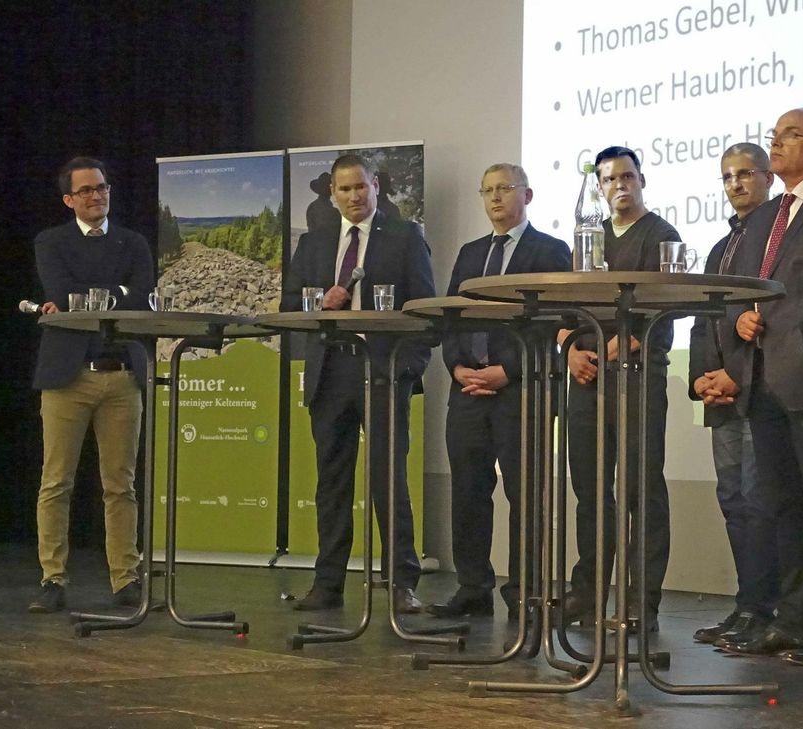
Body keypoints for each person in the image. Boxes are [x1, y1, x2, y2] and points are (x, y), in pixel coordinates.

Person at [717, 109, 803, 663]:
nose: (776, 143)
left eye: (790, 135)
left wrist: (800, 340)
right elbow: (741, 290)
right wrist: (739, 320)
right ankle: (794, 622)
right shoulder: (764, 217)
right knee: (783, 507)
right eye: (774, 135)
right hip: (761, 378)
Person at [280, 153, 435, 613]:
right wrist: (317, 300)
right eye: (343, 189)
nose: (353, 196)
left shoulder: (405, 237)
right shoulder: (315, 241)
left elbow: (426, 310)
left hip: (384, 372)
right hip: (331, 372)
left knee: (390, 480)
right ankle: (327, 584)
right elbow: (290, 301)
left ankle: (401, 583)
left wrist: (409, 367)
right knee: (331, 482)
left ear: (376, 187)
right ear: (332, 193)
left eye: (361, 187)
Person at [427, 164, 570, 620]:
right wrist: (458, 367)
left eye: (504, 189)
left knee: (524, 494)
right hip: (467, 389)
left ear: (527, 195)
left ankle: (524, 591)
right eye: (487, 190)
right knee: (468, 492)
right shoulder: (470, 254)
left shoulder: (551, 250)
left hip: (520, 390)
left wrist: (508, 370)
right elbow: (451, 317)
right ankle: (473, 587)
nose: (494, 198)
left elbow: (556, 325)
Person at [558, 145, 679, 632]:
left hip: (636, 379)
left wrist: (616, 347)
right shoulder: (589, 238)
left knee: (639, 491)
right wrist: (569, 349)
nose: (619, 185)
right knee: (590, 491)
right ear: (600, 187)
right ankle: (587, 593)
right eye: (609, 179)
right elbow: (565, 311)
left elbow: (666, 307)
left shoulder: (661, 235)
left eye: (627, 176)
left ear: (642, 180)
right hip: (585, 381)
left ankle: (639, 603)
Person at [29, 157, 154, 613]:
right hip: (67, 377)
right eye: (85, 191)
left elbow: (144, 294)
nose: (96, 195)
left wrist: (98, 295)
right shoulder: (51, 241)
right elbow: (60, 293)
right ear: (68, 200)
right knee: (56, 481)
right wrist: (114, 293)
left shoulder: (133, 241)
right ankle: (52, 578)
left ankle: (126, 579)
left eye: (101, 187)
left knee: (121, 485)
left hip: (121, 376)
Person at [688, 143, 779, 646]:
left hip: (756, 392)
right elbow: (706, 320)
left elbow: (769, 320)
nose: (736, 184)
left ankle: (766, 611)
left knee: (758, 499)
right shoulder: (721, 244)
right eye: (727, 177)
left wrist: (737, 377)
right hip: (719, 395)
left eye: (746, 174)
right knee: (733, 500)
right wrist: (703, 376)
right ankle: (747, 606)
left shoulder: (774, 236)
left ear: (768, 177)